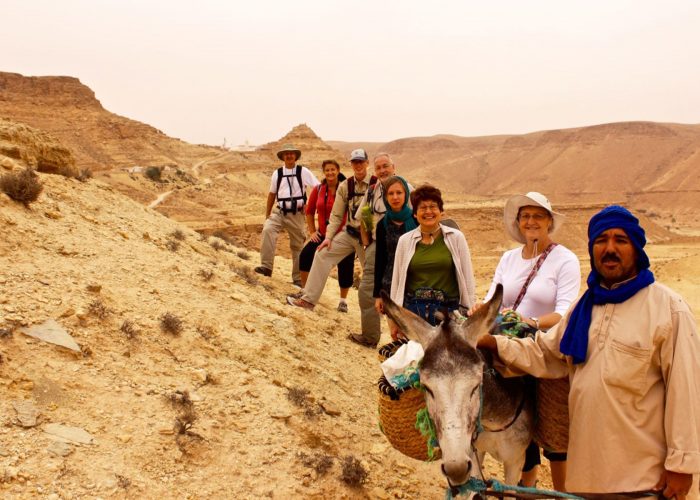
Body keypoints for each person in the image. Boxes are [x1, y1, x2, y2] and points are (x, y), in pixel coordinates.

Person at [478, 205, 700, 498]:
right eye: (601, 241)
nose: (609, 249)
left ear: (636, 248)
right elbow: (545, 354)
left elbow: (686, 392)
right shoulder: (585, 308)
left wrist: (682, 466)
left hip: (645, 481)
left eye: (620, 240)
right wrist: (493, 343)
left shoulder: (668, 309)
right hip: (587, 479)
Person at [479, 192, 581, 490]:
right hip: (508, 351)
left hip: (545, 351)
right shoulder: (508, 259)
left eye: (538, 215)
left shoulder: (565, 260)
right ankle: (525, 486)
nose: (531, 221)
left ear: (549, 221)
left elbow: (564, 313)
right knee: (511, 412)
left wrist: (530, 322)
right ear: (518, 222)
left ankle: (562, 493)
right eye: (525, 216)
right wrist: (480, 311)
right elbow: (492, 300)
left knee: (554, 430)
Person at [286, 149, 379, 342]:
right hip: (350, 233)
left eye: (361, 162)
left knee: (372, 279)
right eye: (355, 162)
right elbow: (336, 215)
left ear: (367, 163)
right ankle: (308, 300)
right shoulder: (346, 185)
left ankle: (373, 332)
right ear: (351, 164)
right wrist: (328, 237)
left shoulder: (376, 184)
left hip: (369, 239)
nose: (358, 166)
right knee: (322, 254)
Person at [389, 184, 476, 337]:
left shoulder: (456, 238)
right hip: (414, 315)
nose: (428, 211)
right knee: (415, 359)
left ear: (441, 211)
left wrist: (470, 313)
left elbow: (468, 278)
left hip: (450, 315)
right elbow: (396, 282)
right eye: (422, 207)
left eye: (433, 207)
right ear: (415, 214)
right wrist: (394, 318)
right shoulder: (405, 241)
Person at [255, 144, 319, 286]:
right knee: (267, 230)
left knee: (297, 246)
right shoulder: (277, 173)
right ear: (283, 157)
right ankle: (266, 267)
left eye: (291, 153)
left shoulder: (303, 172)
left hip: (297, 214)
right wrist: (267, 215)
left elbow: (318, 187)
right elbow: (272, 194)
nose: (289, 156)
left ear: (295, 156)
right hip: (279, 211)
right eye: (286, 154)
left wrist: (312, 206)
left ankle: (297, 279)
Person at [298, 159, 354, 312]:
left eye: (332, 170)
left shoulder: (347, 188)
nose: (330, 173)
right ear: (324, 172)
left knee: (346, 266)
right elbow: (309, 211)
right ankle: (305, 290)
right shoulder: (318, 189)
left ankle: (343, 301)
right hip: (323, 234)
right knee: (305, 256)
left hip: (343, 235)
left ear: (338, 170)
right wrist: (312, 231)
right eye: (327, 170)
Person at [373, 176, 417, 317]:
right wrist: (378, 295)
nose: (395, 197)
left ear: (406, 194)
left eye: (399, 193)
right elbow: (380, 261)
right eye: (390, 193)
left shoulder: (417, 220)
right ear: (385, 197)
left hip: (415, 285)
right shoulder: (382, 225)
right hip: (391, 285)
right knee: (395, 333)